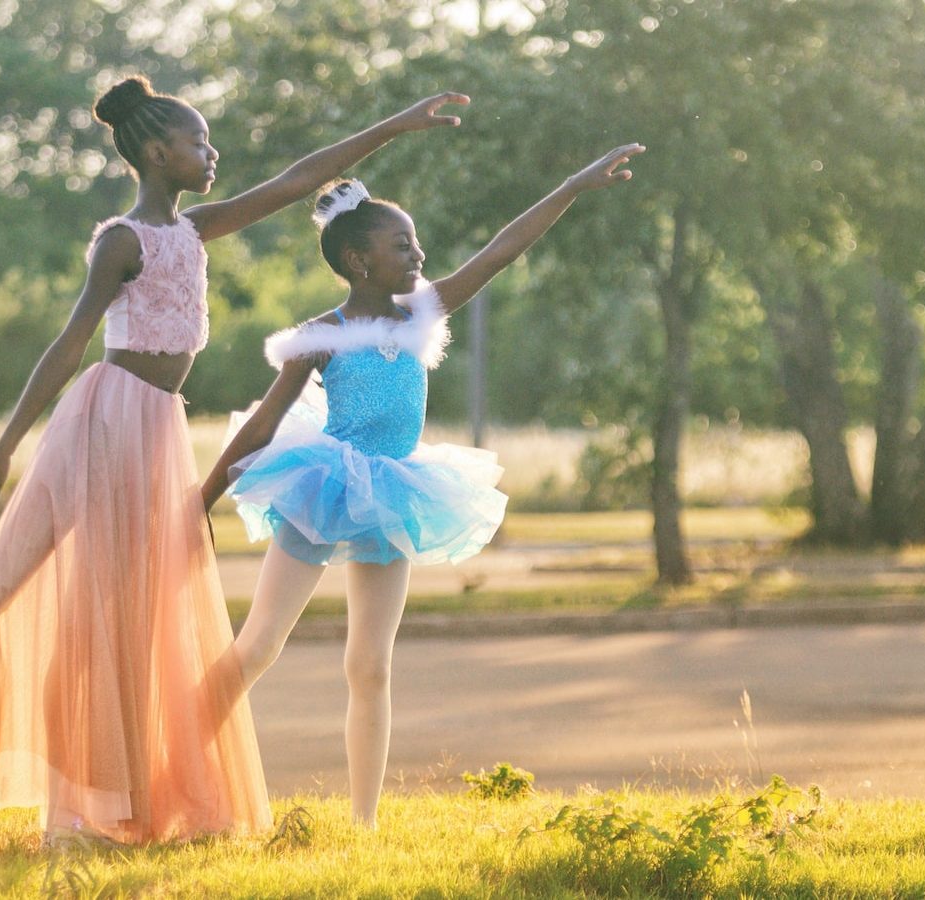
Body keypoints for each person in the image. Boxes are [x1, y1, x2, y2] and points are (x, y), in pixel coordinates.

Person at [0, 74, 470, 844]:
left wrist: (398, 123)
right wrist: (4, 447)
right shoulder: (120, 240)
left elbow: (302, 178)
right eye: (198, 141)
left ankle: (108, 806)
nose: (212, 152)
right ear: (158, 152)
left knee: (129, 621)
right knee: (12, 587)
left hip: (159, 428)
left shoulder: (197, 231)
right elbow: (69, 343)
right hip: (104, 416)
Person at [202, 142, 645, 827]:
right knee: (258, 645)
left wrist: (574, 185)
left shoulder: (422, 316)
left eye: (416, 244)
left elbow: (501, 251)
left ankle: (364, 821)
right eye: (401, 246)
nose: (417, 255)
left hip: (394, 494)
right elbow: (264, 422)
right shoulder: (323, 334)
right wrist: (196, 501)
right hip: (324, 486)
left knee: (370, 666)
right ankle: (173, 760)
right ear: (359, 261)